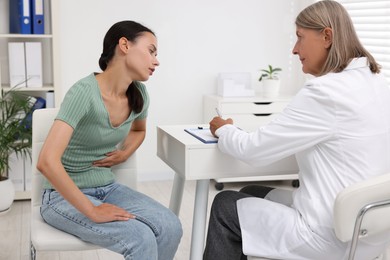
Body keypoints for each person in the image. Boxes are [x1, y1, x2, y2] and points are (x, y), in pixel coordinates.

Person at [203, 1, 390, 260]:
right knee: (249, 194)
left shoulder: (325, 92)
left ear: (327, 36)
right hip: (371, 232)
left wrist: (225, 130)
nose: (294, 49)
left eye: (300, 38)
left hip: (329, 236)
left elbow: (253, 151)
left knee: (225, 207)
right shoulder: (377, 82)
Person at [37, 20, 182, 260]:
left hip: (108, 188)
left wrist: (124, 153)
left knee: (171, 227)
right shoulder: (84, 92)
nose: (156, 61)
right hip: (60, 196)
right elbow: (47, 161)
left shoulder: (139, 95)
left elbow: (138, 130)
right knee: (141, 238)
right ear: (124, 45)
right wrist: (92, 210)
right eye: (151, 51)